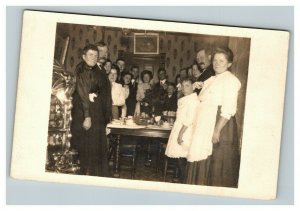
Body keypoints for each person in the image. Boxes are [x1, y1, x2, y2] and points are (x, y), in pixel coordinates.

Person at [186, 47, 241, 188]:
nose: (217, 63)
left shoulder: (230, 80)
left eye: (221, 61)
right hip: (205, 122)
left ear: (229, 64)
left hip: (220, 123)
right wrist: (198, 85)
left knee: (216, 163)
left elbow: (228, 109)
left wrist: (217, 130)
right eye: (215, 60)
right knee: (202, 159)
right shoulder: (212, 78)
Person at [70, 44, 112, 177]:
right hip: (86, 114)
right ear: (83, 56)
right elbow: (82, 94)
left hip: (96, 114)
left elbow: (98, 90)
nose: (94, 58)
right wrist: (87, 117)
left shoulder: (95, 70)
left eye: (96, 55)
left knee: (94, 148)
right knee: (87, 149)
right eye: (90, 55)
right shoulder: (81, 70)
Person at [165, 78, 200, 183]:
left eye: (187, 85)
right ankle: (183, 180)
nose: (184, 88)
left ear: (193, 86)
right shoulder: (185, 99)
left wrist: (180, 134)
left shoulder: (193, 100)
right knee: (180, 159)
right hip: (179, 128)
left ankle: (186, 181)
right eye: (183, 85)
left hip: (186, 131)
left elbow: (189, 119)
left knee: (184, 158)